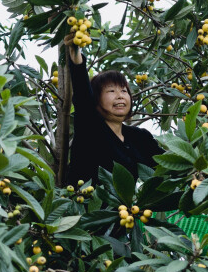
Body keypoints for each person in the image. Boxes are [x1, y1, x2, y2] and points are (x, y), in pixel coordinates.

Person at [65, 39, 160, 186]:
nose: (120, 95)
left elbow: (167, 165)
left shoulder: (140, 138)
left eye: (123, 90)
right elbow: (82, 93)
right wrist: (75, 55)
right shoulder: (90, 127)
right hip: (85, 206)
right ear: (96, 99)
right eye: (111, 91)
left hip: (126, 208)